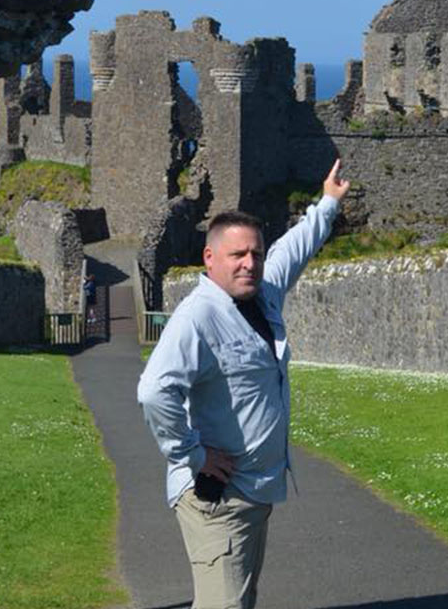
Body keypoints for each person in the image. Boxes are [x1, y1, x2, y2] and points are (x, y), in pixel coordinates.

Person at [137, 159, 350, 609]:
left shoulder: (262, 294)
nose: (249, 263)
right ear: (210, 258)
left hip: (252, 493)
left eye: (255, 254)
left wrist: (327, 203)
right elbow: (154, 391)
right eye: (237, 255)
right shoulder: (198, 316)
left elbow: (293, 249)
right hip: (219, 501)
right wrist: (193, 454)